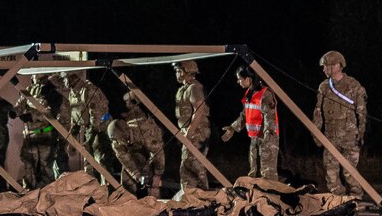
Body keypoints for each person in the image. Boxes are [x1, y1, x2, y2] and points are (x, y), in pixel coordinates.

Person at [313, 50, 370, 200]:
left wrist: (362, 132)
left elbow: (362, 111)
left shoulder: (353, 85)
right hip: (330, 135)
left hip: (349, 136)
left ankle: (356, 196)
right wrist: (316, 133)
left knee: (349, 171)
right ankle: (338, 198)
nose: (324, 69)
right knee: (330, 170)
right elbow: (318, 112)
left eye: (326, 66)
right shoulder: (324, 87)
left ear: (337, 66)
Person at [220, 62, 280, 182]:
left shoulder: (265, 94)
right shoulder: (249, 93)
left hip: (267, 139)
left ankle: (271, 198)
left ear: (248, 79)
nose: (238, 82)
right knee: (253, 173)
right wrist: (233, 128)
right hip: (255, 138)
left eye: (240, 79)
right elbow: (244, 115)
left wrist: (267, 137)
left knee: (268, 175)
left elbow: (270, 117)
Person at [107, 92, 167, 197]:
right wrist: (137, 176)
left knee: (151, 177)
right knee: (126, 177)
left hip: (152, 146)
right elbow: (126, 161)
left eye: (123, 140)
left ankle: (154, 204)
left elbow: (158, 153)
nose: (120, 143)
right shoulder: (116, 142)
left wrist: (158, 175)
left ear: (126, 132)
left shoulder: (144, 131)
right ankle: (128, 204)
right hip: (136, 150)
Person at [172, 59, 215, 194]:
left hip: (197, 132)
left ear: (188, 72)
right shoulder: (183, 89)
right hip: (188, 132)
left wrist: (189, 133)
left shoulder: (194, 88)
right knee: (187, 166)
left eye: (179, 71)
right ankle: (190, 196)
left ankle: (204, 194)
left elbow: (199, 110)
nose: (177, 74)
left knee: (191, 163)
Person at [13, 75, 63, 187]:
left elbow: (51, 113)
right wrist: (14, 112)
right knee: (29, 163)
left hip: (45, 133)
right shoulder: (29, 89)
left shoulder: (51, 91)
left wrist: (33, 116)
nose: (33, 75)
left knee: (44, 165)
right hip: (30, 134)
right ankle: (30, 192)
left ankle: (47, 193)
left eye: (36, 73)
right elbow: (20, 104)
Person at [65, 70, 116, 177]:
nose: (64, 81)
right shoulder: (73, 93)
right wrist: (71, 141)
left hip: (100, 129)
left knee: (102, 162)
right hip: (88, 130)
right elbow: (74, 118)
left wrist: (89, 139)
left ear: (73, 77)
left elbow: (97, 116)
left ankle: (108, 189)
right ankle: (92, 190)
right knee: (88, 164)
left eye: (65, 77)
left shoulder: (89, 90)